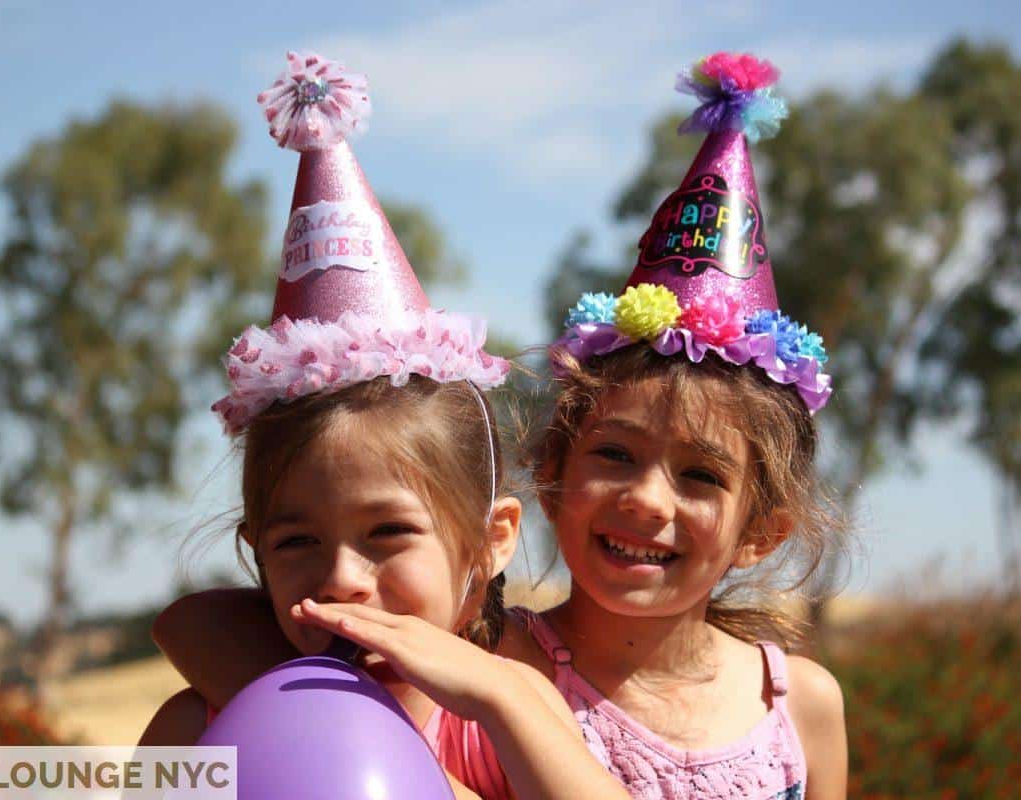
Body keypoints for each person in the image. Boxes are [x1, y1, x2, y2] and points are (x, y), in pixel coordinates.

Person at [153, 51, 850, 800]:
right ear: (555, 474)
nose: (648, 500)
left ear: (762, 530)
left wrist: (498, 702)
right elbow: (197, 624)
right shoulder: (502, 661)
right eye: (614, 454)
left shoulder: (504, 690)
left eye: (702, 474)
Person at [139, 50, 632, 800]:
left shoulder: (507, 719)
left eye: (389, 533)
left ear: (492, 539)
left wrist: (490, 707)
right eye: (297, 541)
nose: (341, 580)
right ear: (257, 555)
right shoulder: (199, 727)